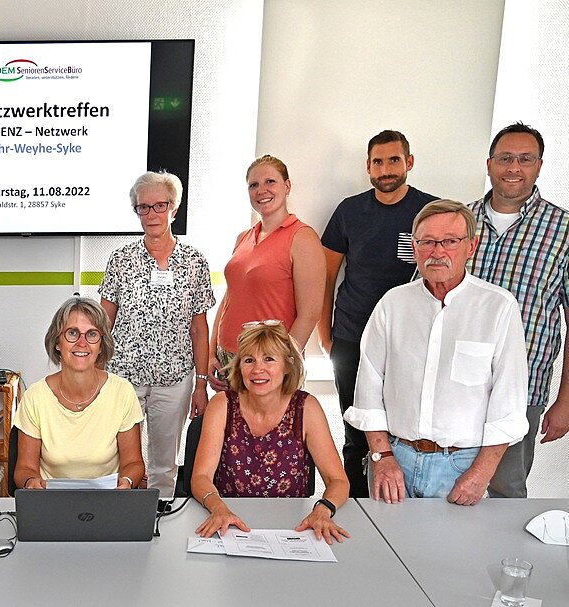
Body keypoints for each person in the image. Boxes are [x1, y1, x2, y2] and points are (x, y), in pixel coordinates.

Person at [345, 200, 529, 505]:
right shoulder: (393, 304)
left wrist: (480, 475)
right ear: (415, 247)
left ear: (471, 246)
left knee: (455, 553)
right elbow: (368, 385)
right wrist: (381, 456)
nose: (437, 251)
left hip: (461, 466)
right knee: (388, 548)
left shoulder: (498, 307)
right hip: (395, 460)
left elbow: (507, 404)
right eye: (427, 242)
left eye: (450, 241)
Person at [318, 130, 438, 497]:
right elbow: (326, 275)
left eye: (394, 160)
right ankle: (352, 506)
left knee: (403, 433)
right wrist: (326, 335)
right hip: (352, 339)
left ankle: (399, 509)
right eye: (378, 162)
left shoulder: (430, 212)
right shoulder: (350, 211)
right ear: (368, 167)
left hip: (411, 343)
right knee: (355, 434)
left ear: (409, 162)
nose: (385, 169)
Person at [468, 122, 569, 498]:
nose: (514, 167)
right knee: (443, 491)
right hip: (454, 389)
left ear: (539, 166)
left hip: (522, 391)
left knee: (505, 492)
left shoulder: (563, 230)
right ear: (489, 164)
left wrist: (565, 400)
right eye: (505, 158)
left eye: (525, 159)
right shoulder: (459, 222)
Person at [99, 170, 214, 497]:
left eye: (159, 206)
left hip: (175, 379)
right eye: (143, 207)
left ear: (174, 209)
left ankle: (159, 514)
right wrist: (94, 369)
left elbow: (199, 327)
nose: (151, 214)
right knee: (120, 457)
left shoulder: (195, 261)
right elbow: (104, 319)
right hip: (123, 377)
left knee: (164, 462)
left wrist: (201, 383)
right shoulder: (121, 258)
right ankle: (118, 513)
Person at [191, 321, 349, 543]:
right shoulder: (222, 405)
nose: (257, 369)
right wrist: (218, 508)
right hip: (230, 523)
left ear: (287, 365)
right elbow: (200, 477)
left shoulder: (307, 407)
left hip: (292, 527)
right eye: (249, 360)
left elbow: (338, 481)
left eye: (269, 359)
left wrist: (323, 509)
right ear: (239, 367)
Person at [209, 155, 325, 390]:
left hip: (268, 366)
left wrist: (281, 364)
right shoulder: (244, 237)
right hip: (229, 360)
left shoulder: (302, 238)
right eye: (254, 185)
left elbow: (309, 315)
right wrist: (212, 351)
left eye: (270, 182)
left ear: (287, 186)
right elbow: (230, 298)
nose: (262, 190)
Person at [12, 297, 145, 489]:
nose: (82, 343)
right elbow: (24, 469)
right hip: (51, 502)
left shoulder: (122, 392)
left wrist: (128, 481)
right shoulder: (35, 397)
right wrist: (31, 482)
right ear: (57, 342)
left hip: (107, 503)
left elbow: (134, 464)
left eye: (91, 334)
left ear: (101, 345)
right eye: (72, 333)